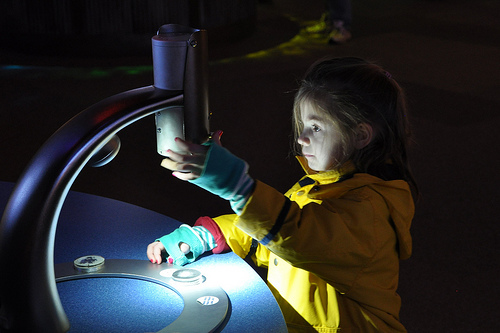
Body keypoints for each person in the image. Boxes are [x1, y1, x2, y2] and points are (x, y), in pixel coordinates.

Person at [147, 57, 417, 332]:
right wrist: (209, 234)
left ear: (360, 135)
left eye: (316, 127)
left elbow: (297, 236)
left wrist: (236, 185)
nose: (301, 138)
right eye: (302, 125)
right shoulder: (317, 186)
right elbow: (270, 239)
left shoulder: (368, 210)